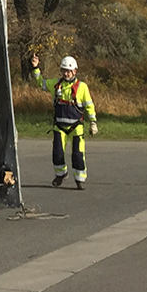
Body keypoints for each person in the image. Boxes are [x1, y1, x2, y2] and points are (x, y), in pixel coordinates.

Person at [32, 54, 98, 190]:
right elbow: (41, 83)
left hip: (76, 127)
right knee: (57, 153)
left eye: (69, 71)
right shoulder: (56, 85)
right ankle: (60, 174)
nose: (66, 74)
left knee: (78, 155)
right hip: (59, 127)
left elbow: (89, 105)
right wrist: (35, 67)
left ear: (75, 71)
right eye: (64, 71)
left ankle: (80, 179)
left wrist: (93, 122)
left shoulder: (82, 87)